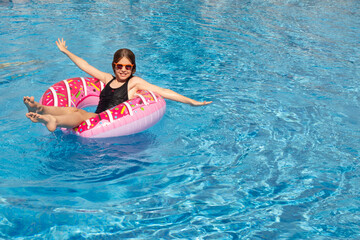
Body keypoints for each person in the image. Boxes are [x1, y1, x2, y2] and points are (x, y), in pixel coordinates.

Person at [24, 38, 212, 132]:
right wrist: (66, 51)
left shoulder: (134, 83)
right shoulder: (107, 79)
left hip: (106, 121)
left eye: (127, 67)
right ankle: (40, 108)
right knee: (73, 111)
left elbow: (163, 91)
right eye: (119, 66)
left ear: (133, 68)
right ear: (114, 66)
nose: (123, 70)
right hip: (95, 117)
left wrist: (191, 102)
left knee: (79, 114)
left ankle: (53, 120)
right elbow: (85, 65)